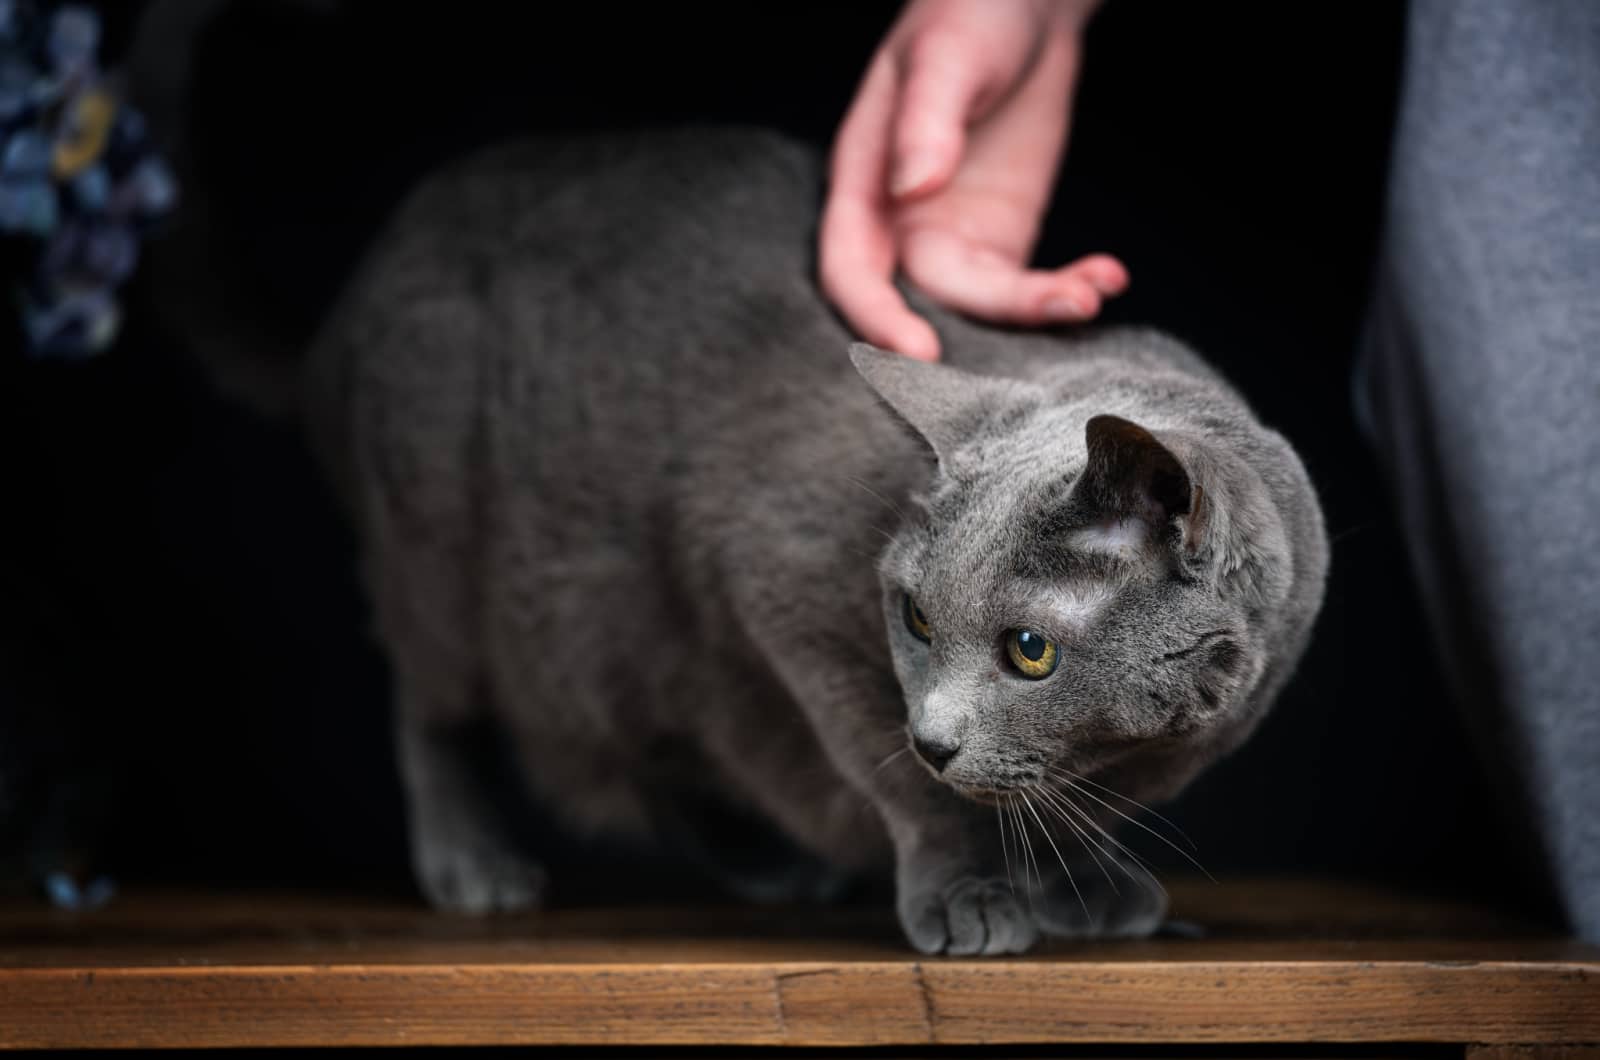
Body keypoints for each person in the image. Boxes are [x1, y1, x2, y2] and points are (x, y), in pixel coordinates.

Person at [820, 0, 1599, 942]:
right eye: (919, 621)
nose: (930, 729)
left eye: (1028, 651)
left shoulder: (1165, 522)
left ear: (1171, 514)